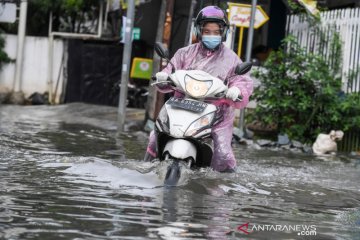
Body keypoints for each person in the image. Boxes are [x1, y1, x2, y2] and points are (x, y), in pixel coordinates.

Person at [144, 6, 253, 173]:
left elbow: (242, 82)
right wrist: (163, 76)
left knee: (223, 154)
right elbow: (169, 73)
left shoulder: (232, 60)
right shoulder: (184, 53)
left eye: (216, 31)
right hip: (180, 106)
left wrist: (237, 91)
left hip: (217, 115)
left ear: (223, 33)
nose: (212, 35)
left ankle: (220, 188)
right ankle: (145, 169)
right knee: (155, 137)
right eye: (207, 31)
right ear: (199, 31)